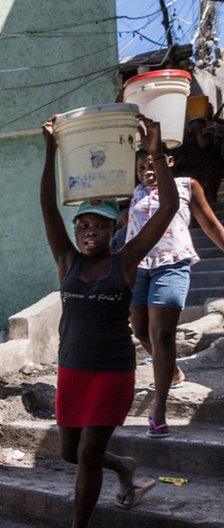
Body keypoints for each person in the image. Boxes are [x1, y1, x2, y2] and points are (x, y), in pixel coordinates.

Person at [40, 115, 177, 528]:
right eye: (83, 225)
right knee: (68, 452)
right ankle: (123, 467)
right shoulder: (67, 261)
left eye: (98, 225)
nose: (89, 231)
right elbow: (46, 207)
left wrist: (154, 150)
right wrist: (50, 153)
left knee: (86, 456)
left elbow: (168, 209)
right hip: (72, 370)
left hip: (112, 372)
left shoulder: (126, 261)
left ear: (114, 229)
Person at [126, 137, 224, 438]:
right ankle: (173, 372)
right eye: (141, 168)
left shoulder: (186, 186)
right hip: (139, 267)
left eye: (152, 165)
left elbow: (209, 224)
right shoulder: (136, 193)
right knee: (141, 330)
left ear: (168, 162)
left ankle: (159, 409)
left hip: (173, 263)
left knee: (162, 333)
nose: (147, 172)